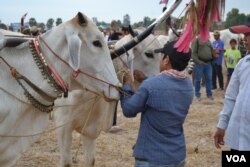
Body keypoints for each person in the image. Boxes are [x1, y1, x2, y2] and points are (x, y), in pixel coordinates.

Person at [121, 41, 194, 167]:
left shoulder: (150, 86)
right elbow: (166, 88)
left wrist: (126, 85)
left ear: (166, 60)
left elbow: (128, 110)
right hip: (177, 156)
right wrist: (144, 79)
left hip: (151, 158)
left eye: (162, 56)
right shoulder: (188, 86)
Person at [214, 22, 250, 151]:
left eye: (247, 35)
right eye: (243, 35)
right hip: (237, 139)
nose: (244, 39)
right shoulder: (242, 64)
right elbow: (231, 97)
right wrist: (221, 125)